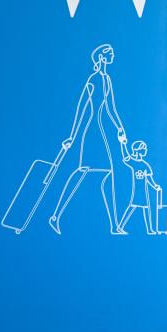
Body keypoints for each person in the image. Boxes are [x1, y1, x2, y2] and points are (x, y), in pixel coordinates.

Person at [48, 44, 128, 235]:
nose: (113, 56)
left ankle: (115, 225)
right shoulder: (93, 80)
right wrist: (72, 136)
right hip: (91, 132)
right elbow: (82, 108)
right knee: (83, 171)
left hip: (99, 131)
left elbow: (110, 108)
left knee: (107, 174)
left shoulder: (107, 79)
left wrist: (120, 129)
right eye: (110, 54)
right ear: (101, 57)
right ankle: (55, 215)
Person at [117, 139, 160, 235]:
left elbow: (149, 179)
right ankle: (120, 226)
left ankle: (149, 229)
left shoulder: (145, 165)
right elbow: (125, 156)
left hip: (143, 191)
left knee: (145, 207)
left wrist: (155, 186)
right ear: (137, 150)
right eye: (143, 148)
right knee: (133, 206)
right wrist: (123, 144)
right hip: (137, 190)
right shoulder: (134, 162)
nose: (145, 150)